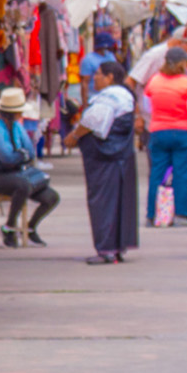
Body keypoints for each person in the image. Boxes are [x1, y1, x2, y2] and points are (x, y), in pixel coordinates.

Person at [65, 60, 140, 264]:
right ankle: (116, 247)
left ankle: (106, 248)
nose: (94, 78)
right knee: (118, 201)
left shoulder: (109, 96)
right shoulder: (124, 96)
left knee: (103, 201)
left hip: (105, 159)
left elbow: (92, 121)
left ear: (110, 77)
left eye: (98, 74)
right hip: (119, 158)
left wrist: (74, 135)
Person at [0, 88, 59, 247]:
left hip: (15, 173)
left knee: (51, 197)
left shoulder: (16, 127)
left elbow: (29, 150)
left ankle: (30, 227)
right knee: (22, 185)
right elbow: (7, 157)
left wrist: (21, 155)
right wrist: (21, 155)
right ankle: (9, 226)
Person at [143, 47, 187, 227]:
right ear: (181, 64)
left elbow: (147, 108)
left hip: (158, 131)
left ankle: (153, 214)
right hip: (183, 133)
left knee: (157, 174)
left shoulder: (154, 82)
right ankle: (181, 214)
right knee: (182, 174)